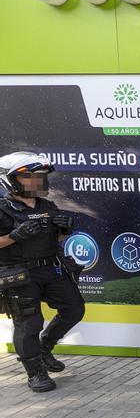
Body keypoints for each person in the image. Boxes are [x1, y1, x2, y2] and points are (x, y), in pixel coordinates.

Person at [0, 152, 85, 392]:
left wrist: (62, 231)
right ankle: (35, 373)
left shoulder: (46, 205)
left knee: (74, 308)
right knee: (29, 323)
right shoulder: (2, 208)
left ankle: (44, 348)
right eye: (32, 177)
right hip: (19, 274)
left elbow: (50, 239)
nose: (39, 182)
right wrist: (14, 236)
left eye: (41, 177)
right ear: (11, 180)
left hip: (50, 268)